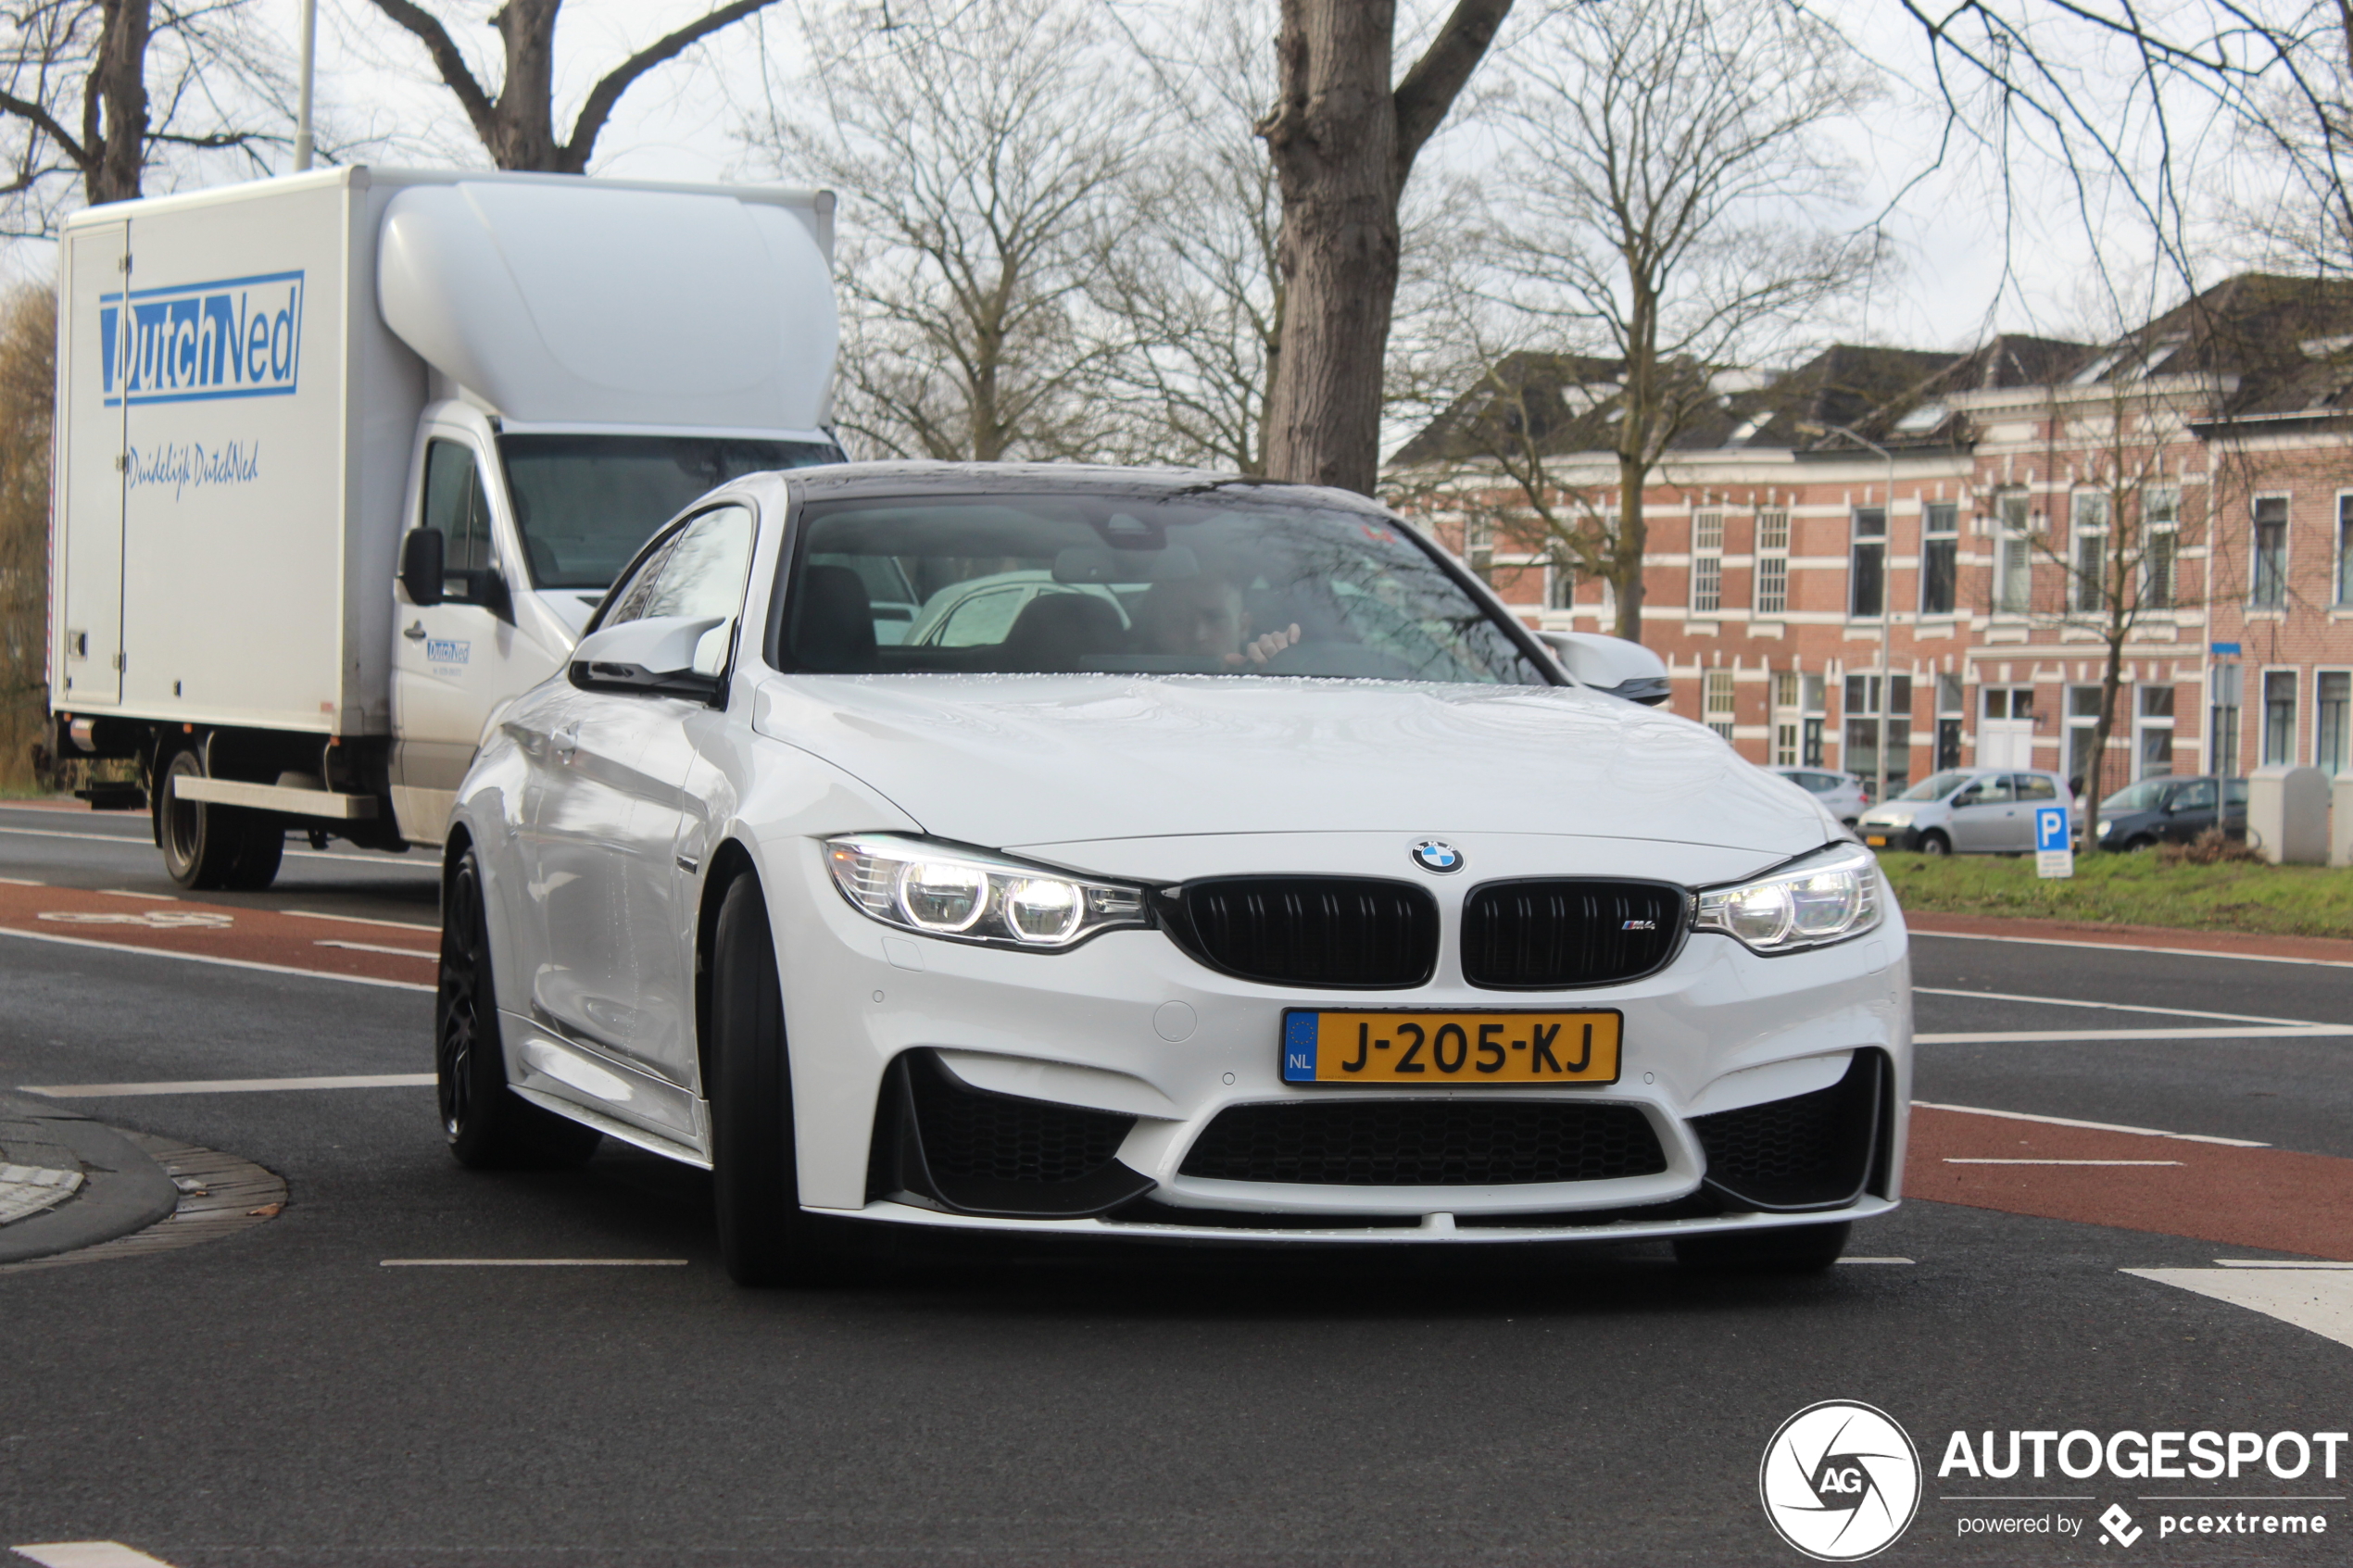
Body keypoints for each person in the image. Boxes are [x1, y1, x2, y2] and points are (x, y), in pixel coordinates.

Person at [1128, 571, 1301, 667]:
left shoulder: (1268, 679)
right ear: (1157, 629)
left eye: (1215, 619)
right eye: (1180, 620)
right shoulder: (1123, 682)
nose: (1199, 635)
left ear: (1243, 626)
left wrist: (1277, 666)